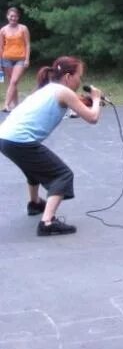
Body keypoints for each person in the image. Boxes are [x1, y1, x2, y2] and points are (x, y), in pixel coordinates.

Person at [0, 56, 103, 235]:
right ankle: (47, 222)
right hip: (18, 139)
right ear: (68, 77)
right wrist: (95, 99)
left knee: (34, 168)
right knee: (62, 174)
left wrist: (85, 101)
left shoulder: (49, 88)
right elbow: (92, 118)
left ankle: (35, 204)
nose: (80, 81)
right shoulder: (63, 91)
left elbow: (72, 103)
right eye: (80, 76)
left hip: (5, 137)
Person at [0, 6, 31, 112]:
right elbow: (1, 47)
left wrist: (27, 59)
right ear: (7, 16)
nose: (13, 18)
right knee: (12, 84)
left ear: (18, 17)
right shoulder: (3, 30)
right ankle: (16, 106)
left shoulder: (23, 28)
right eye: (11, 16)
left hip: (20, 59)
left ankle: (6, 105)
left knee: (14, 81)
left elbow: (27, 44)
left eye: (15, 16)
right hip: (6, 58)